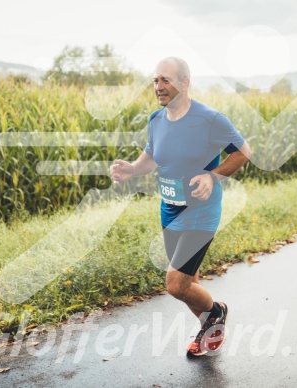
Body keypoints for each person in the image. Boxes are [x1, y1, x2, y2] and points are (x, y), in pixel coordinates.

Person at [110, 57, 251, 357]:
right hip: (169, 211)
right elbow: (150, 158)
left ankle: (216, 313)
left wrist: (213, 177)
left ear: (185, 82)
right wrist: (131, 169)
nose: (159, 86)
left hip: (201, 213)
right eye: (156, 80)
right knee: (190, 281)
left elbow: (242, 152)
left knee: (175, 284)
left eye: (167, 80)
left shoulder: (210, 119)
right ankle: (209, 328)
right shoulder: (155, 120)